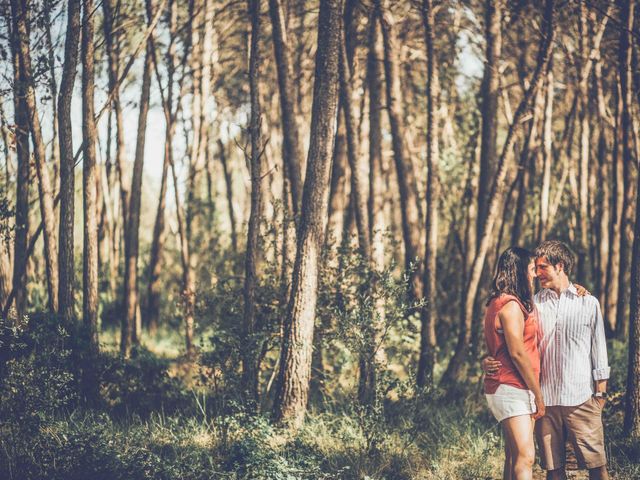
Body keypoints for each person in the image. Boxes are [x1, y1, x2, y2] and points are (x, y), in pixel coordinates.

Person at [484, 240, 610, 480]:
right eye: (535, 267)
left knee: (597, 467)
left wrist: (600, 393)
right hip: (545, 401)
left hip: (581, 398)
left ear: (559, 266)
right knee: (553, 469)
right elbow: (510, 340)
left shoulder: (588, 302)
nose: (538, 273)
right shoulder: (533, 304)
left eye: (543, 267)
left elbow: (599, 348)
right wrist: (487, 360)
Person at [484, 247, 544, 480]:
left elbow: (497, 347)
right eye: (531, 269)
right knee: (526, 457)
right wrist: (538, 395)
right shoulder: (510, 307)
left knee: (513, 456)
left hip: (512, 386)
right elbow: (517, 353)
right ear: (519, 271)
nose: (535, 275)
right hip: (511, 387)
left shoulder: (500, 302)